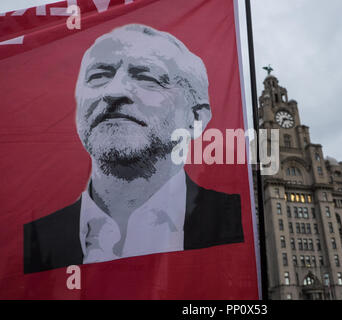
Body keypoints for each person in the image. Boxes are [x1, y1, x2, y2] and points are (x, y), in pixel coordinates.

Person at [23, 24, 243, 274]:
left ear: (195, 119)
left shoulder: (241, 223)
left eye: (147, 78)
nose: (113, 91)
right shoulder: (31, 242)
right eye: (98, 76)